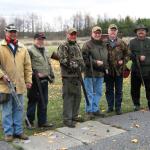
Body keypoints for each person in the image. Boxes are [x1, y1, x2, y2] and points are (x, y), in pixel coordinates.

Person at [0, 24, 32, 142]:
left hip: (19, 84)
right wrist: (2, 75)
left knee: (19, 109)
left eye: (14, 31)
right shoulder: (0, 46)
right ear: (6, 32)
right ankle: (8, 132)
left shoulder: (22, 48)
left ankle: (18, 131)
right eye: (10, 31)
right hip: (5, 86)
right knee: (7, 110)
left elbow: (28, 66)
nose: (13, 33)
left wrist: (29, 80)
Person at [57, 28, 85, 128]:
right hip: (68, 76)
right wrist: (74, 65)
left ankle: (74, 116)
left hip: (77, 76)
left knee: (77, 96)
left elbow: (81, 59)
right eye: (71, 34)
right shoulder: (63, 46)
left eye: (74, 34)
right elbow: (63, 59)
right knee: (68, 98)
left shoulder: (77, 45)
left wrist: (82, 66)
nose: (73, 36)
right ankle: (67, 119)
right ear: (67, 34)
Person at [26, 33, 55, 128]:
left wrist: (51, 75)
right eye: (39, 39)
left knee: (44, 101)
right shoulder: (29, 50)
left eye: (42, 39)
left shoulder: (45, 50)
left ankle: (42, 122)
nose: (41, 41)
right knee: (33, 101)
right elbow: (26, 65)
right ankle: (29, 121)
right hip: (34, 81)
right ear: (34, 40)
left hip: (44, 80)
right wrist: (34, 75)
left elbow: (49, 64)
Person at [82, 26, 108, 119]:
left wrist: (106, 67)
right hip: (90, 73)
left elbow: (106, 58)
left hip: (100, 73)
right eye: (95, 33)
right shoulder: (87, 45)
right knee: (89, 93)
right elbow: (84, 60)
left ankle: (95, 109)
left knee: (98, 92)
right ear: (92, 34)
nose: (97, 34)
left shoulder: (103, 44)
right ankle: (89, 111)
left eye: (99, 33)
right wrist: (95, 62)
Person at [105, 24, 128, 115]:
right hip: (108, 71)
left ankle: (118, 108)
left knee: (119, 90)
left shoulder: (121, 42)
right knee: (109, 90)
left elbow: (128, 54)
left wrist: (123, 60)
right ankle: (110, 107)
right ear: (108, 32)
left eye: (114, 30)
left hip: (119, 71)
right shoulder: (104, 43)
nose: (113, 32)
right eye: (111, 30)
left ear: (117, 32)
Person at [129, 24, 150, 111]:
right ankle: (136, 105)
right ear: (136, 32)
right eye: (139, 30)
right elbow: (129, 54)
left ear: (145, 32)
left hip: (148, 70)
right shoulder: (132, 42)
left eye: (143, 30)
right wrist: (137, 57)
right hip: (136, 69)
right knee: (135, 89)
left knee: (149, 88)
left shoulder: (149, 41)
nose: (141, 32)